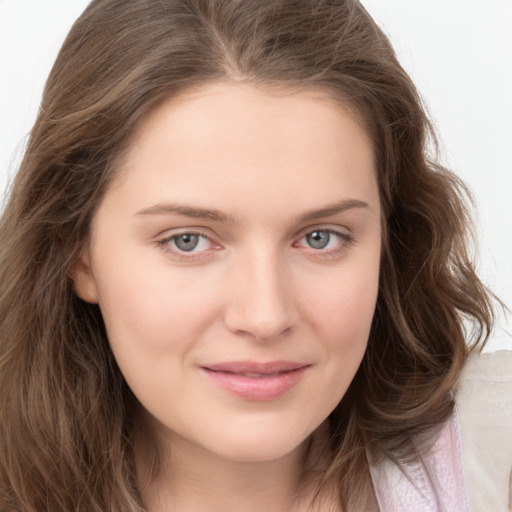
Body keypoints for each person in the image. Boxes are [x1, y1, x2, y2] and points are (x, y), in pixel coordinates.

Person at [0, 1, 510, 511]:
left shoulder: (496, 455)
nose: (265, 317)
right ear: (77, 253)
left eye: (320, 238)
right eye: (188, 241)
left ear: (388, 240)